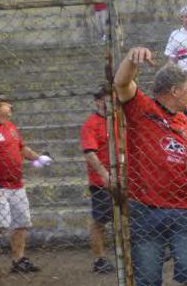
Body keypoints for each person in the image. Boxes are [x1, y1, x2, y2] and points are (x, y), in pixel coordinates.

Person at [113, 47, 187, 286]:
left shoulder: (184, 120)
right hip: (145, 207)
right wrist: (132, 58)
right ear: (175, 91)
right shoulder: (142, 108)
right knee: (148, 278)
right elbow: (122, 84)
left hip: (182, 206)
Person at [0, 94, 49, 275]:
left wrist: (38, 158)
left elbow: (21, 148)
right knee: (0, 225)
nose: (10, 106)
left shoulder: (10, 126)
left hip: (16, 184)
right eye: (6, 104)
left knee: (22, 224)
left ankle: (18, 260)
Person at [79, 87, 115, 274]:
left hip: (124, 179)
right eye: (107, 100)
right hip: (101, 182)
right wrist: (104, 174)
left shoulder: (118, 121)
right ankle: (99, 258)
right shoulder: (91, 124)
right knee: (100, 221)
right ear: (98, 102)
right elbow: (89, 153)